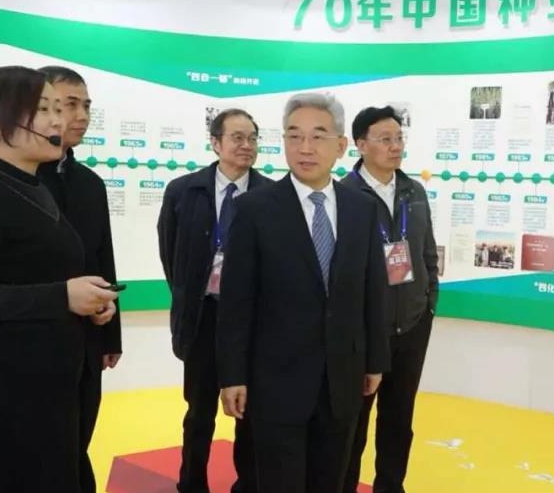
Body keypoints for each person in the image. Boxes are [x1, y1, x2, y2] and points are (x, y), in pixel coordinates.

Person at [0, 66, 118, 493]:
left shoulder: (32, 187)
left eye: (58, 108)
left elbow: (35, 273)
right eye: (43, 109)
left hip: (45, 387)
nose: (58, 120)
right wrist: (61, 297)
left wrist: (88, 301)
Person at [217, 93, 390, 493]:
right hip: (275, 381)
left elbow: (373, 291)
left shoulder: (361, 209)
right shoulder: (254, 209)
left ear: (341, 146)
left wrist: (375, 360)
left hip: (343, 379)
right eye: (294, 136)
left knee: (332, 480)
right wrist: (232, 375)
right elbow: (237, 301)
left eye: (317, 136)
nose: (305, 148)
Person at [158, 108, 266, 493]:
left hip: (252, 323)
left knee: (249, 413)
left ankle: (248, 485)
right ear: (216, 143)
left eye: (252, 138)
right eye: (237, 137)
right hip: (203, 317)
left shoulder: (271, 195)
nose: (246, 145)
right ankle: (192, 483)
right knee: (199, 412)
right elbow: (171, 255)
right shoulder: (183, 191)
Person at [341, 106, 438, 493]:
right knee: (352, 424)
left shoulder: (414, 191)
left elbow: (426, 253)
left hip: (412, 325)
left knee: (399, 421)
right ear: (361, 145)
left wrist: (429, 304)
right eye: (385, 139)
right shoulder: (344, 195)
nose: (395, 146)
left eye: (399, 138)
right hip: (363, 332)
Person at [35, 66, 122, 493]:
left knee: (77, 439)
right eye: (69, 104)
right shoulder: (15, 181)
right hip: (33, 345)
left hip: (87, 342)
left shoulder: (90, 183)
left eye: (85, 105)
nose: (81, 116)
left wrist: (111, 333)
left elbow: (103, 257)